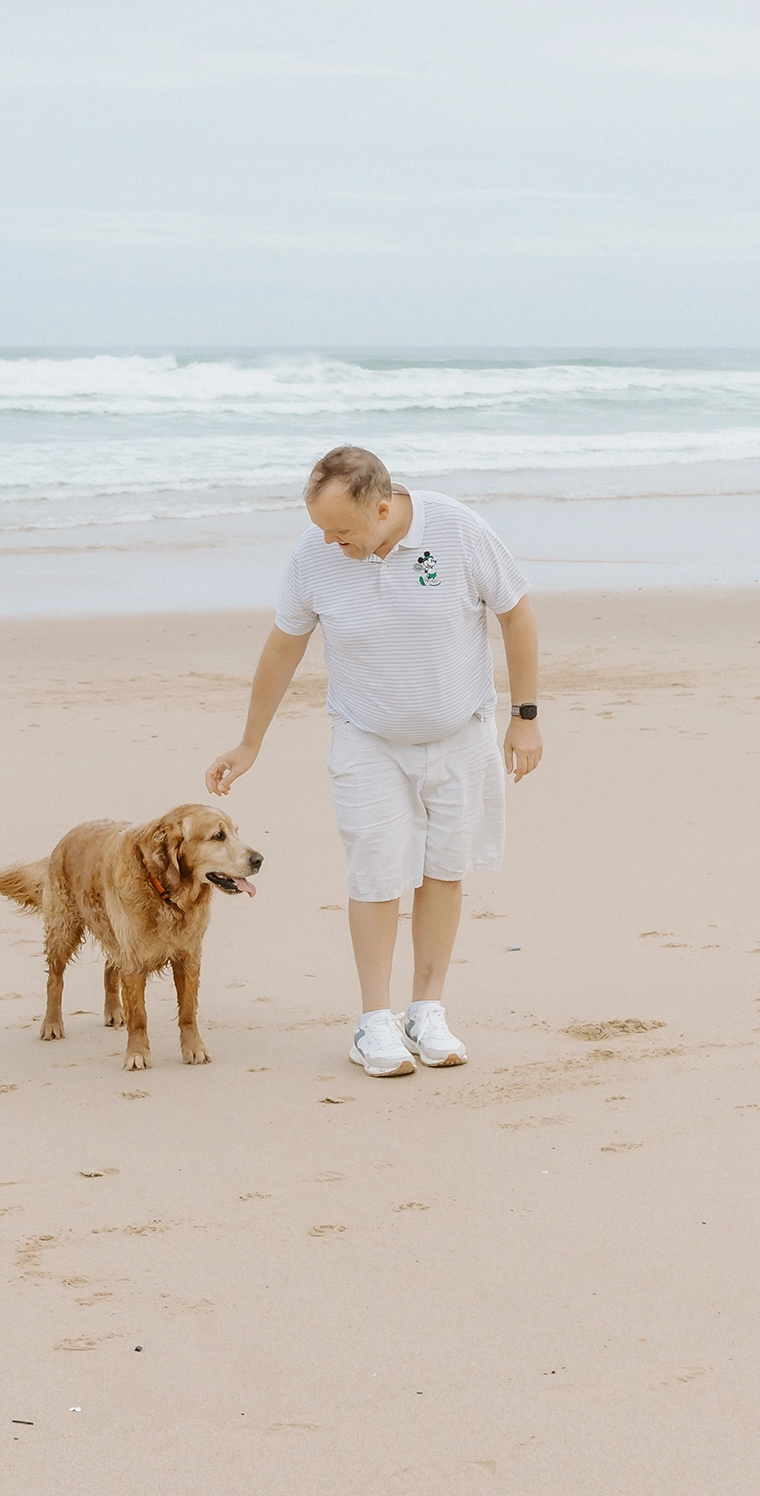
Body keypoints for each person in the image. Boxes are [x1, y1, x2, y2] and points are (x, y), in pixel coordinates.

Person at [205, 445, 542, 1078]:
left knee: (445, 868)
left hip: (459, 731)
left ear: (383, 508)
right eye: (320, 529)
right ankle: (374, 1022)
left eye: (341, 530)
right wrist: (250, 742)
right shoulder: (315, 554)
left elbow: (516, 613)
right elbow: (283, 648)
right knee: (377, 871)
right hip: (366, 738)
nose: (329, 543)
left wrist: (524, 717)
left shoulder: (459, 531)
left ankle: (427, 1011)